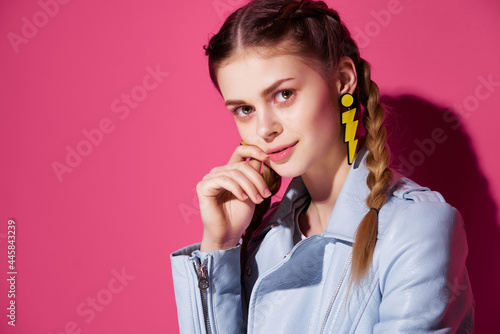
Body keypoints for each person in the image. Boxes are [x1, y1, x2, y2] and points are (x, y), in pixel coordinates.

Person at [170, 0, 475, 332]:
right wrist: (220, 243)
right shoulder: (263, 237)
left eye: (284, 94)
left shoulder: (416, 228)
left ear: (343, 80)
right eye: (244, 109)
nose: (263, 128)